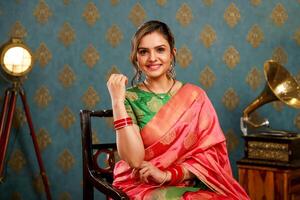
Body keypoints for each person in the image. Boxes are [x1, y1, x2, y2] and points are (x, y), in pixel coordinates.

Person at [107, 20, 249, 200]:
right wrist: (117, 102)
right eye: (143, 52)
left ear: (172, 54)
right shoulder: (129, 98)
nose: (152, 58)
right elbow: (135, 160)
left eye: (160, 49)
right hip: (143, 184)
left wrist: (167, 175)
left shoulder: (195, 97)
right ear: (136, 57)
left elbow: (211, 157)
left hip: (188, 181)